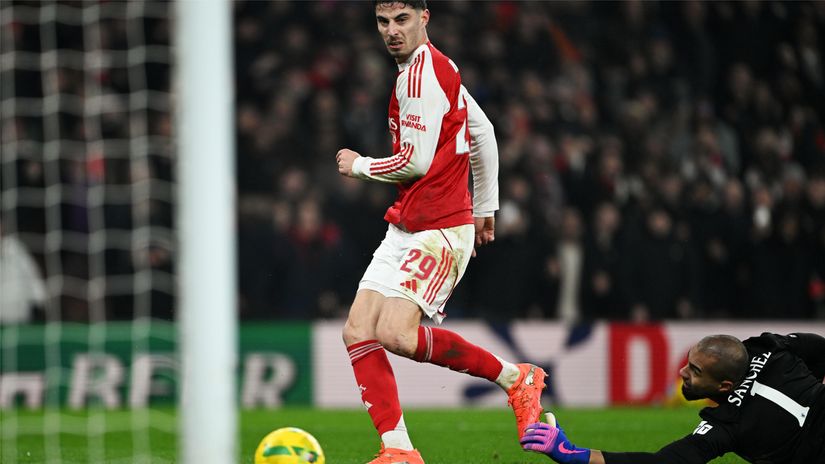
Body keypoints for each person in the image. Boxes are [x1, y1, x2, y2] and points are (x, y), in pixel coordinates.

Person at [335, 2, 546, 463]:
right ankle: (398, 450)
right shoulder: (439, 66)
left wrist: (360, 166)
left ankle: (514, 378)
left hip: (441, 229)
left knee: (394, 333)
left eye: (402, 20)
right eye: (383, 22)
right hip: (408, 223)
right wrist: (488, 204)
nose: (392, 31)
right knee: (357, 331)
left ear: (424, 17)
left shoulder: (417, 76)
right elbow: (484, 131)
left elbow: (415, 161)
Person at [520, 332, 825, 463]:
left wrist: (572, 453)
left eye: (695, 370)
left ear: (724, 386)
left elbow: (664, 462)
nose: (681, 372)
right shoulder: (772, 349)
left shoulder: (727, 425)